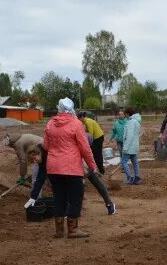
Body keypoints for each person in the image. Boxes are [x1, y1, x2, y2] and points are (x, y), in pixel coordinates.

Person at [44, 98, 97, 238]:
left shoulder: (50, 124)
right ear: (72, 109)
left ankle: (59, 230)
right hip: (71, 168)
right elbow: (85, 148)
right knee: (76, 197)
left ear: (59, 108)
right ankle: (72, 230)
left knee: (59, 197)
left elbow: (46, 146)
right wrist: (92, 165)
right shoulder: (76, 124)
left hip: (53, 167)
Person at [25, 144, 116, 215]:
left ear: (38, 153)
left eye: (34, 158)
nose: (34, 161)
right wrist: (33, 196)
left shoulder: (51, 151)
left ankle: (109, 204)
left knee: (93, 179)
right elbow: (40, 179)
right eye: (32, 160)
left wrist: (90, 164)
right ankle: (72, 209)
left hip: (76, 159)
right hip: (67, 168)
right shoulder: (43, 160)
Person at [122, 108, 142, 184]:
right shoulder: (137, 122)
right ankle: (137, 177)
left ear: (127, 113)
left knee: (124, 161)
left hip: (130, 146)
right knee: (135, 162)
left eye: (125, 114)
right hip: (134, 146)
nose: (124, 115)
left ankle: (129, 178)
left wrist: (125, 147)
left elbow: (129, 136)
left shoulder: (131, 122)